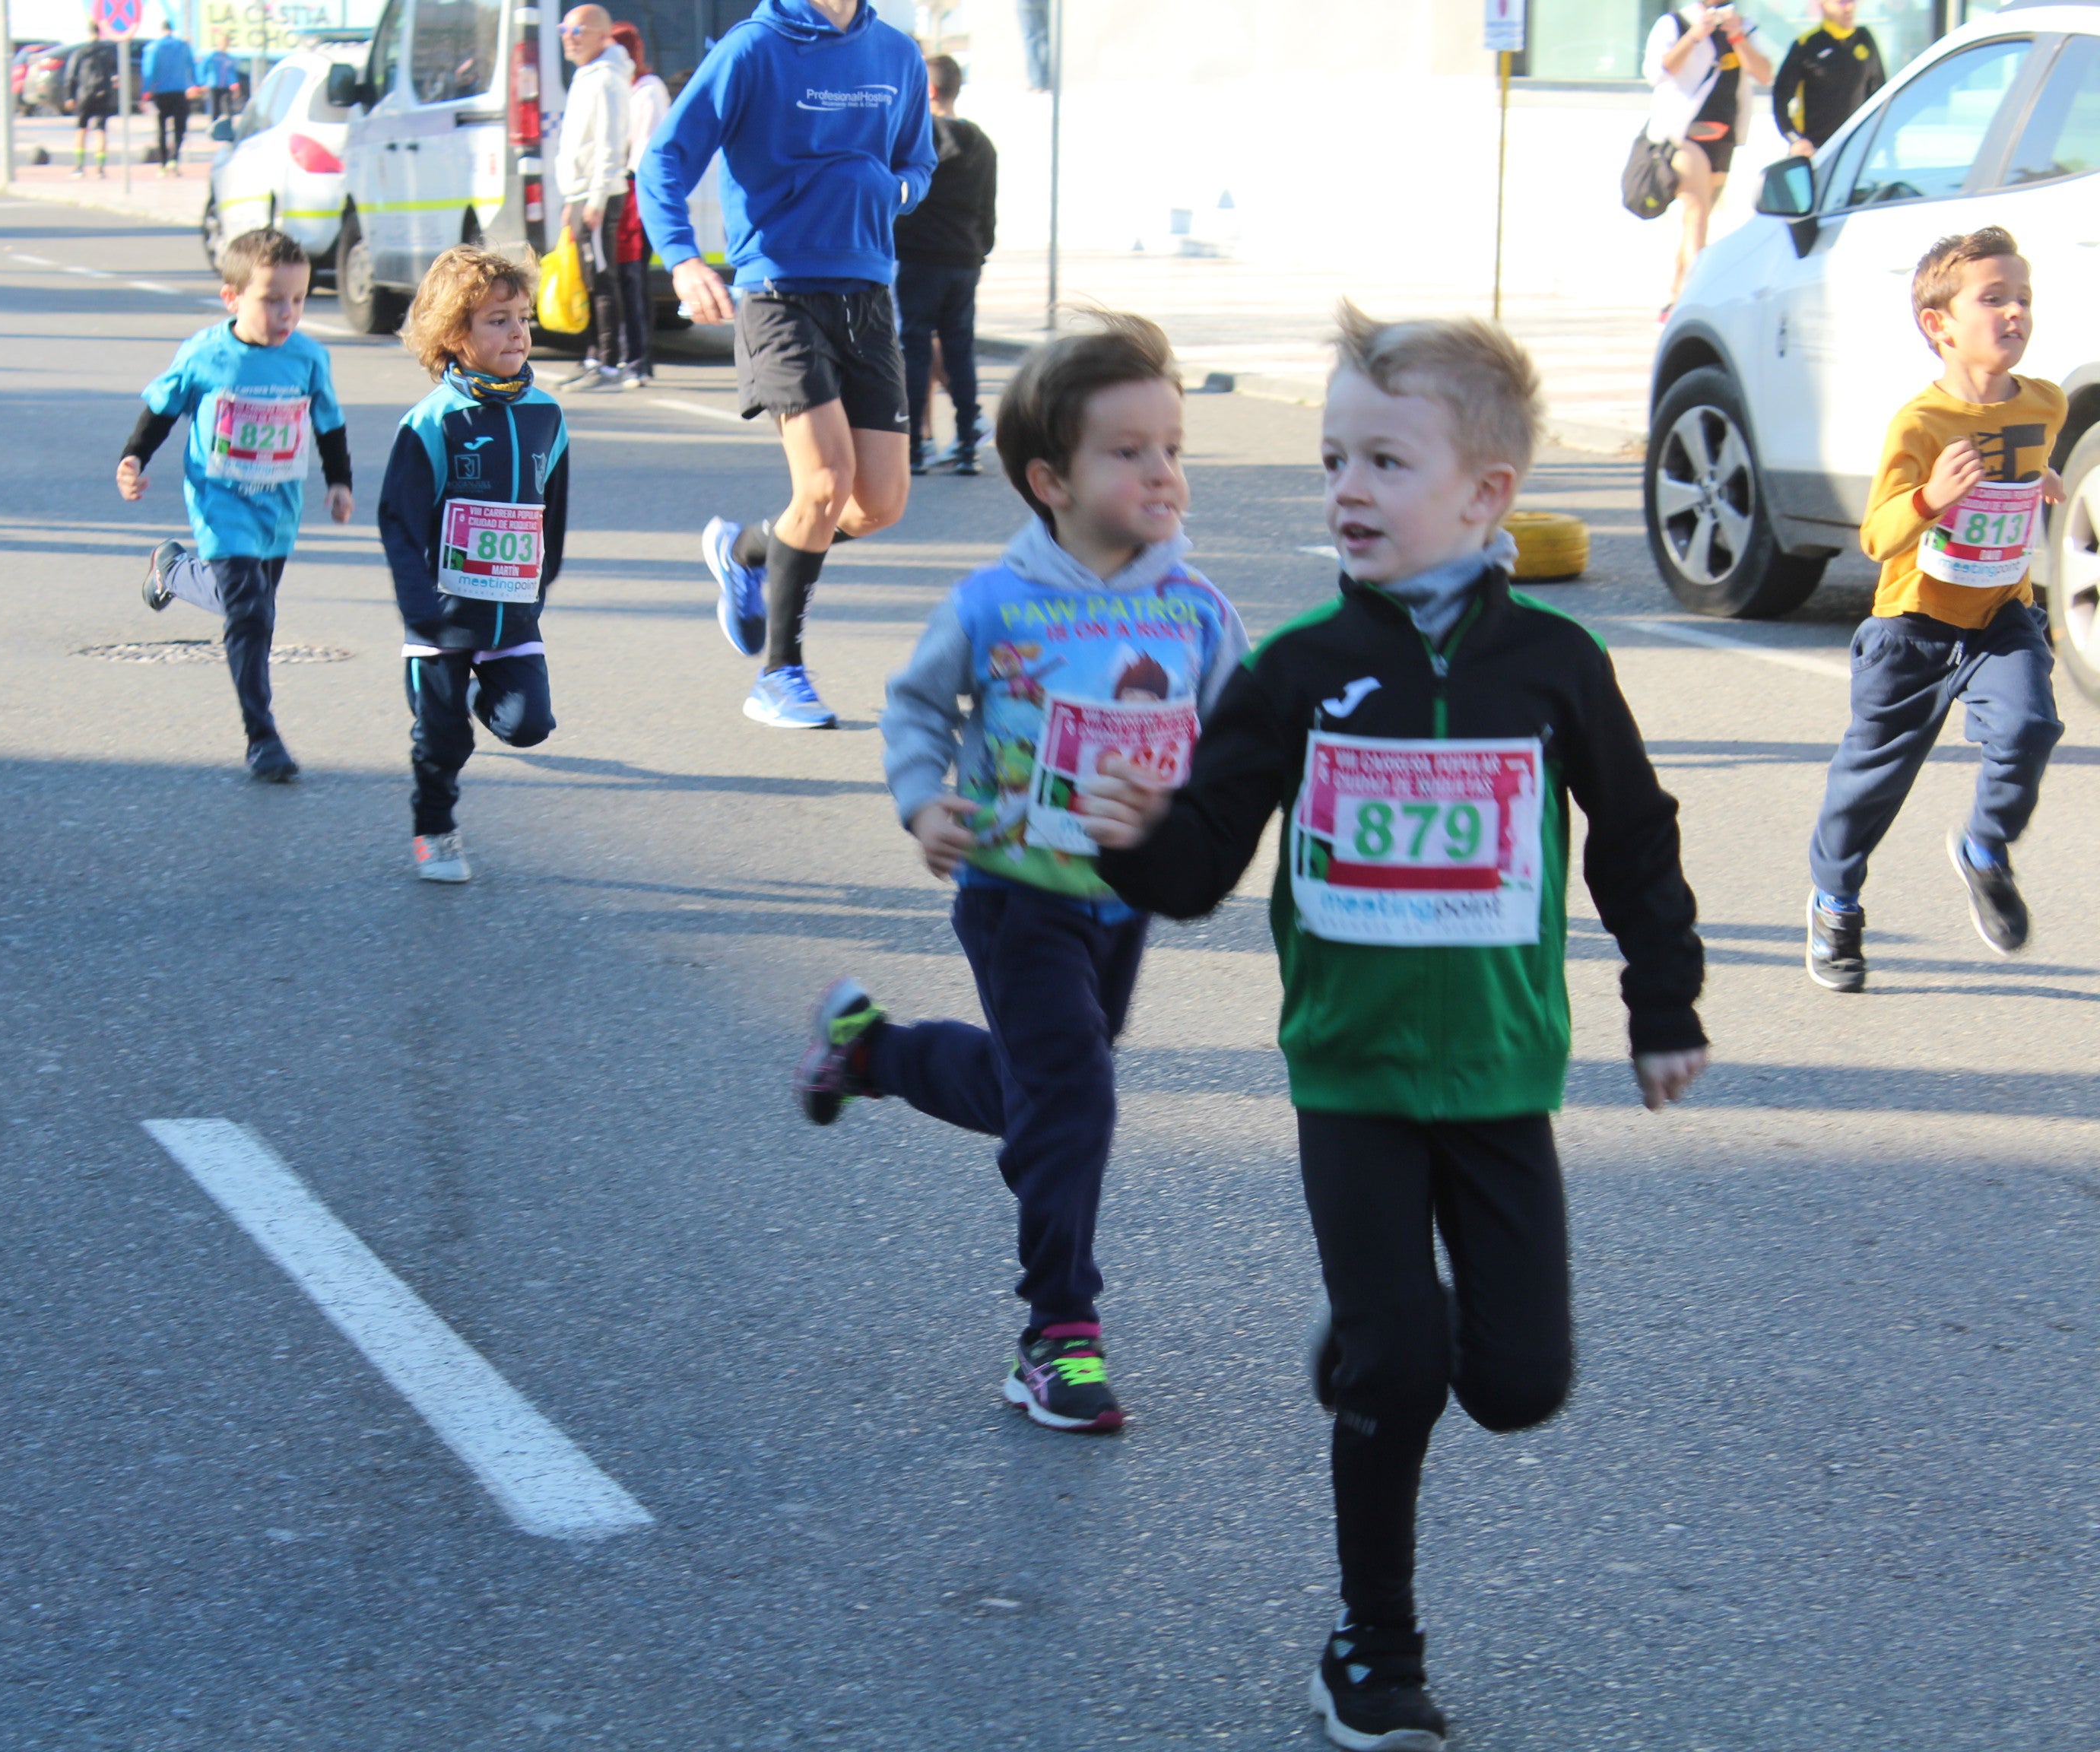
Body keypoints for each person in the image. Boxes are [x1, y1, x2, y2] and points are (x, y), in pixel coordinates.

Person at [1079, 303, 1708, 1750]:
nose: (1346, 489)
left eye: (1383, 460)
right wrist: (1133, 836)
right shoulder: (1299, 669)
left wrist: (1661, 998)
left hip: (1498, 1073)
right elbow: (1195, 872)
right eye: (1331, 460)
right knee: (1404, 1367)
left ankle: (1375, 1336)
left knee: (1518, 1380)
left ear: (1487, 495)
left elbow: (1634, 832)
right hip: (1352, 1075)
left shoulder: (1551, 665)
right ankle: (1371, 1642)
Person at [794, 315, 1246, 1436]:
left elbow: (1243, 747)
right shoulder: (995, 605)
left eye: (1172, 448)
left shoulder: (1197, 611)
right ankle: (1058, 1332)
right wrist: (923, 800)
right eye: (1129, 451)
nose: (1162, 472)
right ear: (1051, 479)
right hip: (1011, 888)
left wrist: (1202, 826)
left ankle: (874, 1050)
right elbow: (912, 705)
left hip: (1122, 900)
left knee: (1035, 1092)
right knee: (1076, 1096)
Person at [640, 0, 935, 730]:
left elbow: (917, 161)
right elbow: (666, 157)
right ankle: (779, 675)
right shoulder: (754, 49)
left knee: (879, 504)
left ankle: (747, 552)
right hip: (778, 291)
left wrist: (892, 189)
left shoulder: (896, 55)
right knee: (826, 482)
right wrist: (681, 261)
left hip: (867, 292)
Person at [1807, 227, 2065, 992]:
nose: (2014, 312)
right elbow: (1878, 534)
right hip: (1913, 626)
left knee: (2029, 725)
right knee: (1870, 783)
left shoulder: (2046, 402)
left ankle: (1985, 849)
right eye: (1993, 299)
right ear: (1939, 325)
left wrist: (2042, 477)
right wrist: (1931, 497)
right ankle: (1836, 902)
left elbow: (2018, 458)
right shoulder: (1919, 425)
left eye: (2023, 297)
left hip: (2000, 614)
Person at [119, 228, 354, 784]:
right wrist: (134, 457)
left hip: (278, 504)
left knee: (250, 601)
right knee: (251, 612)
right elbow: (161, 407)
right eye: (272, 299)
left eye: (297, 300)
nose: (287, 313)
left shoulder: (307, 357)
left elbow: (331, 425)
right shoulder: (207, 354)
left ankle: (173, 569)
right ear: (233, 298)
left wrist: (339, 483)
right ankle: (262, 736)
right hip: (220, 499)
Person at [377, 246, 569, 884]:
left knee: (529, 725)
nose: (518, 332)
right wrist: (418, 608)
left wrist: (540, 589)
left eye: (523, 316)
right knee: (443, 741)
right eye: (497, 320)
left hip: (511, 617)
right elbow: (398, 523)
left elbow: (553, 511)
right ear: (456, 336)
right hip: (442, 618)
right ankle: (435, 830)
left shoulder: (548, 416)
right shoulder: (433, 423)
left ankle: (475, 696)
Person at [894, 52, 996, 478]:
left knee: (914, 350)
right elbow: (988, 207)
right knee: (959, 350)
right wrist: (980, 249)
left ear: (929, 90)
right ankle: (968, 445)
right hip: (965, 260)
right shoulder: (982, 144)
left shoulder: (913, 139)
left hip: (918, 259)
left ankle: (916, 448)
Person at [1645, 4, 1772, 312]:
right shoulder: (1674, 23)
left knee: (1697, 220)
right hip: (1684, 136)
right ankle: (1693, 299)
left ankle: (1676, 296)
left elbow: (1765, 75)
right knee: (1697, 213)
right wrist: (1694, 36)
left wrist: (1739, 37)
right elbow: (1656, 72)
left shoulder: (1741, 25)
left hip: (1723, 137)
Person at [554, 5, 632, 394]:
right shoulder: (586, 76)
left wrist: (597, 199)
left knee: (603, 279)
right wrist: (573, 198)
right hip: (582, 195)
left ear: (604, 35)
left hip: (598, 197)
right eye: (564, 29)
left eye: (578, 29)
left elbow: (609, 145)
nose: (569, 36)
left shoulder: (607, 79)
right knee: (586, 281)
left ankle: (609, 362)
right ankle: (592, 358)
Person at [609, 21, 666, 388]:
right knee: (622, 278)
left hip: (638, 190)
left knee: (633, 277)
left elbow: (643, 151)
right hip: (624, 189)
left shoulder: (647, 91)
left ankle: (639, 360)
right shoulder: (625, 89)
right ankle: (624, 354)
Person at [1773, 0, 1885, 156]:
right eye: (1842, 2)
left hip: (1856, 149)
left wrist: (1883, 143)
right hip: (1817, 150)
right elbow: (1780, 97)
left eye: (1852, 1)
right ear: (1823, 4)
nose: (1849, 7)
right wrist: (1795, 140)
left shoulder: (1865, 39)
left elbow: (1880, 93)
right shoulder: (1806, 45)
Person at [141, 22, 199, 176]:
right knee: (179, 127)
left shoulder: (154, 47)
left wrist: (146, 91)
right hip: (180, 91)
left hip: (161, 93)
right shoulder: (183, 46)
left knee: (161, 129)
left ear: (162, 30)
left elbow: (150, 69)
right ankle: (174, 158)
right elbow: (191, 66)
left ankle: (162, 164)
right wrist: (195, 83)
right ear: (172, 30)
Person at [71, 34, 119, 178]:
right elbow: (116, 75)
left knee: (81, 130)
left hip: (84, 95)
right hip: (102, 95)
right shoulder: (108, 52)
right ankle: (100, 169)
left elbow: (71, 76)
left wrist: (70, 96)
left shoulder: (81, 52)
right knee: (100, 131)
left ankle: (79, 167)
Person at [200, 36, 240, 122]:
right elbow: (202, 68)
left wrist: (235, 85)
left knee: (227, 106)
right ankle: (214, 125)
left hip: (225, 86)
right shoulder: (213, 56)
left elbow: (232, 72)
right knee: (215, 108)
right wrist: (203, 82)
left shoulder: (228, 58)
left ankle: (228, 126)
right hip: (214, 86)